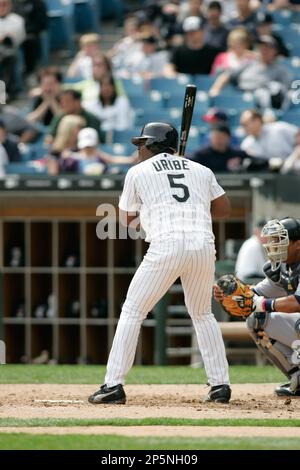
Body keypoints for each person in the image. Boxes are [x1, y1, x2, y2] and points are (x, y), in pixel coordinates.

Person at [88, 121, 232, 405]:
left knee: (133, 310)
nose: (139, 149)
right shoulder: (201, 169)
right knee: (203, 314)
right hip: (203, 244)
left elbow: (125, 219)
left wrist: (150, 211)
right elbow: (224, 209)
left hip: (166, 244)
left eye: (142, 144)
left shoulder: (137, 172)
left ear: (154, 145)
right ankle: (220, 385)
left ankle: (113, 384)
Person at [214, 217, 300, 397]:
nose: (274, 245)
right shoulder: (282, 267)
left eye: (280, 240)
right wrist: (233, 296)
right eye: (274, 240)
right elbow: (257, 295)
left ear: (297, 244)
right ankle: (298, 378)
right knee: (256, 319)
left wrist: (261, 304)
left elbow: (297, 302)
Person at [209, 35, 292, 110]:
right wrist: (216, 89)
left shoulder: (280, 70)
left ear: (275, 51)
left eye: (267, 47)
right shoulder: (248, 64)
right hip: (239, 98)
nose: (264, 50)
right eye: (261, 47)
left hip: (260, 105)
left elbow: (285, 93)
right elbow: (227, 75)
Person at [49, 127, 138, 175]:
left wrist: (135, 156)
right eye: (86, 146)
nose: (88, 148)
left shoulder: (99, 155)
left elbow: (123, 160)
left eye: (90, 146)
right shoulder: (70, 157)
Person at [190, 123, 265, 172]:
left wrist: (242, 165)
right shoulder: (201, 154)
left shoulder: (236, 153)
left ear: (228, 137)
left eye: (220, 137)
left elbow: (258, 162)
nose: (217, 141)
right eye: (215, 138)